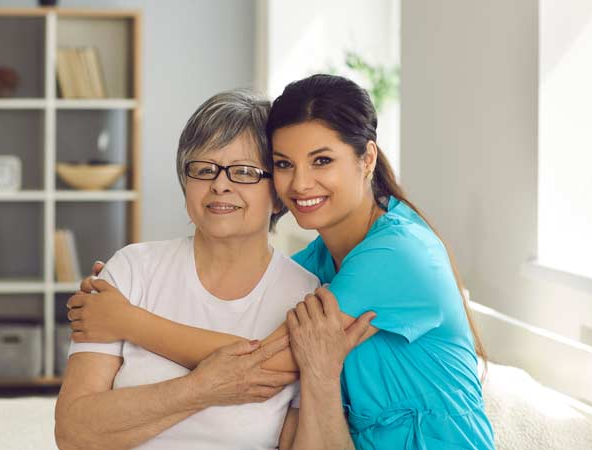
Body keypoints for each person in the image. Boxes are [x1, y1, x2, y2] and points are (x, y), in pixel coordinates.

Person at [68, 74, 496, 449]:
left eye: (322, 161)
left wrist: (127, 321)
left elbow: (265, 365)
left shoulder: (397, 255)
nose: (301, 182)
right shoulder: (313, 266)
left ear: (366, 159)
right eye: (284, 164)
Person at [54, 89, 375, 450]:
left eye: (243, 172)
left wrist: (321, 375)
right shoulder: (129, 271)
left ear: (277, 194)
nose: (220, 184)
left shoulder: (304, 298)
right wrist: (201, 388)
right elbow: (73, 433)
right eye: (204, 169)